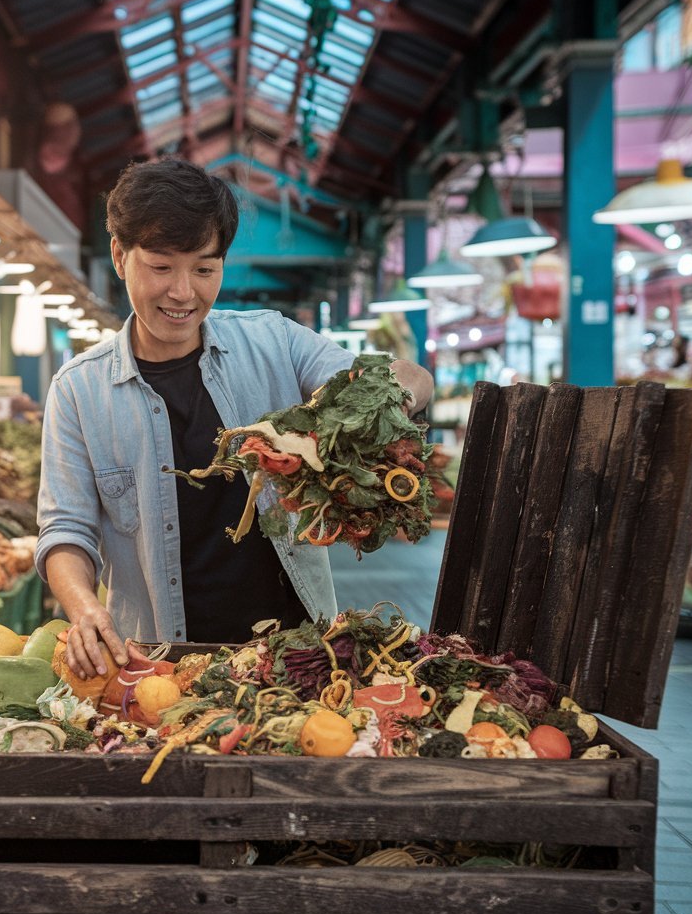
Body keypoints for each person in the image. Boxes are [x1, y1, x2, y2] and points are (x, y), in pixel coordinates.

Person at [36, 159, 433, 681]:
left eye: (205, 269)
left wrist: (388, 399)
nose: (184, 292)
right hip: (158, 668)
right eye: (161, 267)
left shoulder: (275, 342)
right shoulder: (78, 390)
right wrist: (85, 607)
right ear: (119, 255)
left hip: (300, 659)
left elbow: (405, 378)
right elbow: (65, 529)